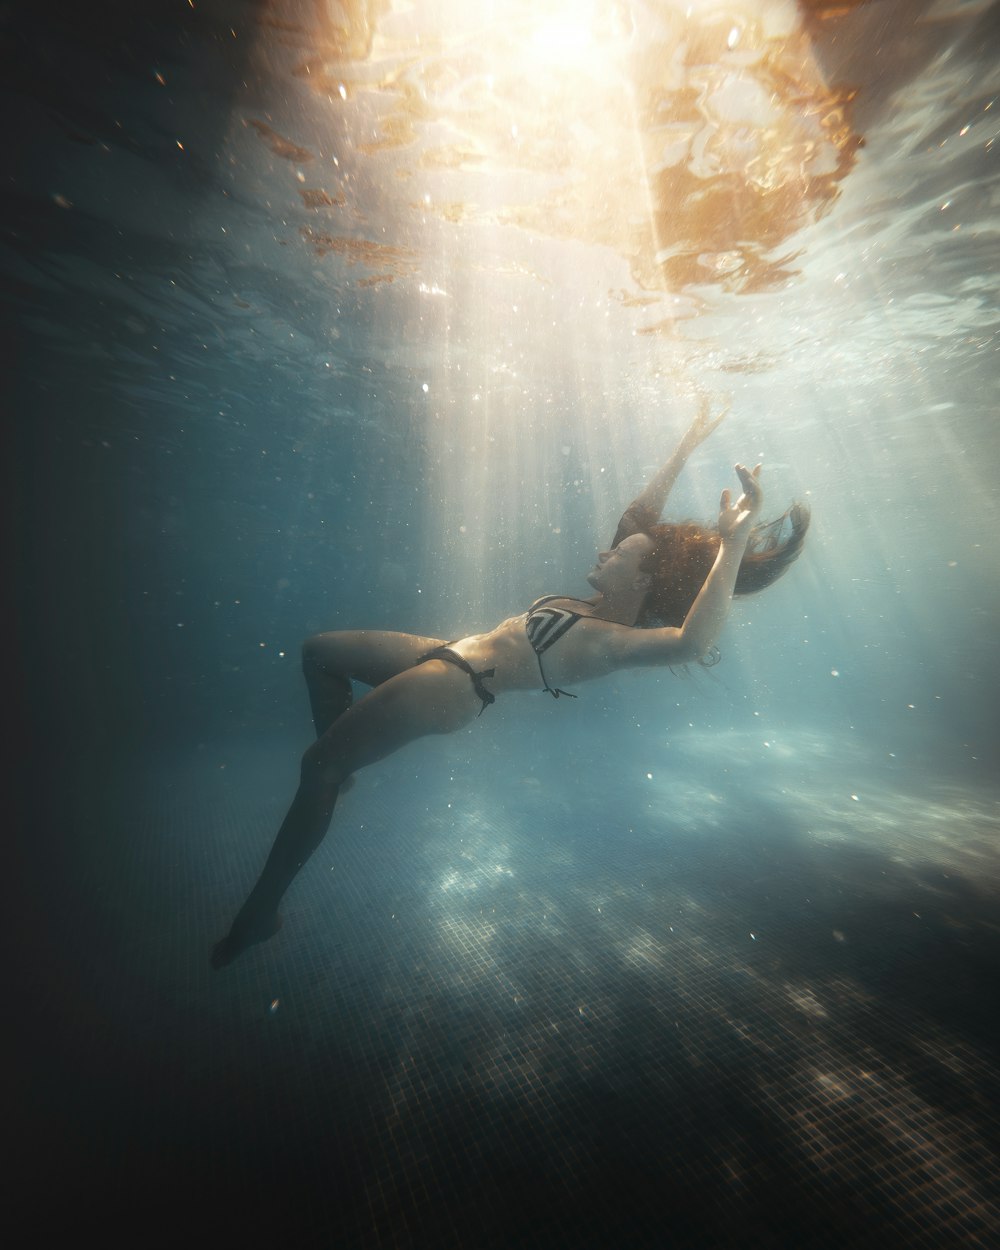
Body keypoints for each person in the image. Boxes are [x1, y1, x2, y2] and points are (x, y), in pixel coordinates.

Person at [212, 399, 809, 967]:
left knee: (320, 765)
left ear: (643, 579)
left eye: (621, 551)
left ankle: (261, 911)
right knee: (320, 654)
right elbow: (639, 516)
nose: (608, 545)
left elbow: (691, 642)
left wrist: (732, 543)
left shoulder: (609, 639)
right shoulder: (602, 598)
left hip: (455, 685)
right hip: (447, 655)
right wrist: (686, 443)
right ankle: (339, 772)